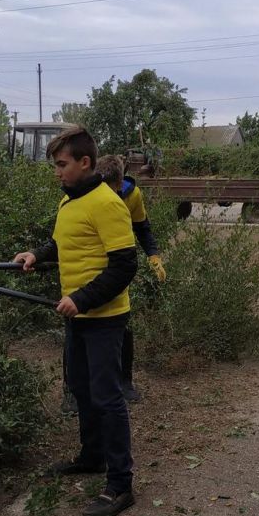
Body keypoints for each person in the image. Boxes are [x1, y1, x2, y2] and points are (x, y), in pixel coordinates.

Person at [13, 126, 137, 516]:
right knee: (81, 390)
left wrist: (81, 298)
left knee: (107, 397)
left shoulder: (107, 203)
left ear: (85, 163)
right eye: (55, 165)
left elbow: (124, 266)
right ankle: (91, 457)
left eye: (62, 164)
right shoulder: (69, 202)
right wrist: (36, 254)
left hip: (104, 318)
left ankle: (120, 484)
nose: (57, 172)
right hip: (78, 316)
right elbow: (61, 246)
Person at [96, 155, 166, 403]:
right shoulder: (85, 195)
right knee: (79, 330)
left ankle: (125, 382)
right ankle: (71, 392)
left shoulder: (132, 195)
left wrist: (154, 256)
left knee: (123, 327)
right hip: (91, 265)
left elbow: (142, 228)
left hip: (118, 267)